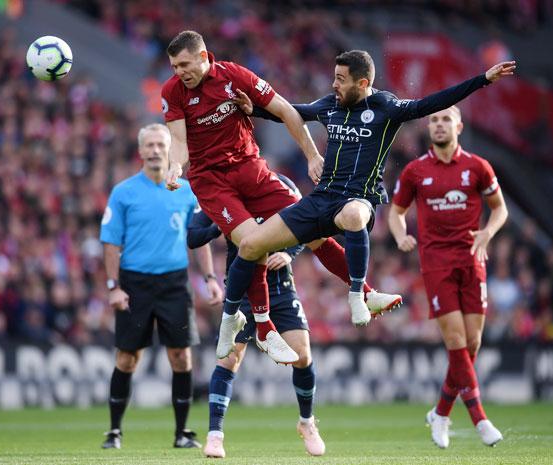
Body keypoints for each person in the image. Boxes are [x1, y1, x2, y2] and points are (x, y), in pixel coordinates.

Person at [226, 51, 515, 343]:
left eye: (340, 79)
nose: (334, 84)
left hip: (359, 199)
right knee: (251, 244)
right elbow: (291, 111)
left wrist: (483, 80)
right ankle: (230, 319)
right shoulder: (331, 104)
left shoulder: (384, 107)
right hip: (321, 199)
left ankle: (357, 296)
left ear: (362, 83)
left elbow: (430, 104)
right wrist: (254, 110)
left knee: (352, 215)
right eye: (334, 77)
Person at [161, 31, 401, 364]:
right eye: (174, 66)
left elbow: (286, 110)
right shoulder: (172, 91)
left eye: (184, 64)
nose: (179, 72)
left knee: (315, 233)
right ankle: (264, 328)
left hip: (251, 169)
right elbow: (178, 141)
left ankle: (366, 293)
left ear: (204, 57)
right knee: (253, 242)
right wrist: (175, 166)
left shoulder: (234, 76)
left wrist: (312, 154)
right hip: (211, 181)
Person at [387, 106, 508, 448]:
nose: (439, 125)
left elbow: (500, 208)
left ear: (459, 126)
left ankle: (441, 412)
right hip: (437, 262)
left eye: (445, 120)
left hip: (473, 260)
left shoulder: (477, 167)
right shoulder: (415, 171)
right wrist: (400, 237)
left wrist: (488, 232)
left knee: (471, 344)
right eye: (434, 120)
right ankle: (480, 419)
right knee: (455, 341)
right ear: (429, 128)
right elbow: (396, 213)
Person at [99, 123, 223, 450]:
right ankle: (114, 432)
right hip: (135, 283)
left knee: (181, 357)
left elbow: (199, 239)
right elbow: (110, 243)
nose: (155, 150)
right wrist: (113, 286)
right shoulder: (124, 192)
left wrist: (210, 278)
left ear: (170, 151)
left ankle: (182, 434)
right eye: (149, 145)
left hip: (174, 283)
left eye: (160, 145)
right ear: (140, 151)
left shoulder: (185, 191)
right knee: (127, 358)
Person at [186, 174, 325, 458]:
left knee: (302, 356)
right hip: (242, 289)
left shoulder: (281, 184)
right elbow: (193, 235)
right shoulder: (217, 191)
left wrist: (289, 253)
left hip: (279, 288)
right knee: (228, 359)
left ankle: (307, 422)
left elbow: (308, 224)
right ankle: (215, 436)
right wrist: (222, 221)